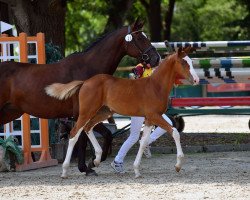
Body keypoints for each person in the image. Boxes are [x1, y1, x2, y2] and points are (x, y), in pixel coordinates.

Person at [111, 63, 173, 173]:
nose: (155, 60)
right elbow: (133, 79)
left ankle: (146, 142)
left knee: (168, 123)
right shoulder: (140, 67)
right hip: (138, 106)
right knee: (134, 136)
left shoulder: (158, 70)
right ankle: (117, 161)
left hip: (152, 107)